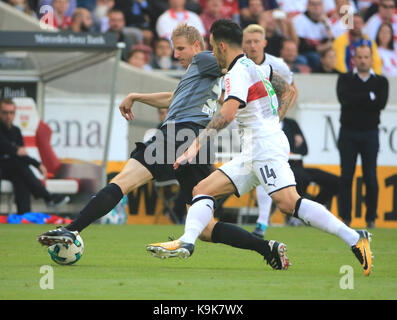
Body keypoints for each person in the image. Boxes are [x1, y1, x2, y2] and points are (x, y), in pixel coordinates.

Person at [37, 24, 289, 270]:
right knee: (206, 228)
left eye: (180, 49)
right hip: (194, 141)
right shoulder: (200, 73)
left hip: (177, 135)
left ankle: (71, 230)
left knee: (123, 181)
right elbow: (172, 97)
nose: (175, 54)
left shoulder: (205, 59)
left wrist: (271, 76)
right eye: (173, 49)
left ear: (198, 46)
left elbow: (240, 64)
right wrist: (137, 96)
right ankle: (267, 248)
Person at [148, 19, 374, 277]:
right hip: (253, 149)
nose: (212, 53)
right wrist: (272, 120)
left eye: (212, 47)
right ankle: (186, 242)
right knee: (202, 190)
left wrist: (194, 145)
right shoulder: (254, 66)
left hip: (263, 148)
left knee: (289, 203)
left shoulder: (236, 72)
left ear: (221, 46)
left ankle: (355, 237)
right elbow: (287, 90)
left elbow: (229, 113)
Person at [252, 117, 341, 236]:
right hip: (279, 167)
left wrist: (295, 148)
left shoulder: (291, 123)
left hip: (297, 165)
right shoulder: (263, 124)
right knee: (300, 177)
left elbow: (304, 149)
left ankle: (309, 208)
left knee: (335, 181)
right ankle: (297, 213)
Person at [336, 44, 389, 229]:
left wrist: (357, 98)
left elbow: (380, 104)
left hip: (370, 133)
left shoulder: (381, 82)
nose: (363, 60)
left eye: (366, 57)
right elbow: (344, 99)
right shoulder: (344, 78)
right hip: (348, 133)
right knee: (346, 177)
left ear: (372, 58)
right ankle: (345, 218)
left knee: (370, 177)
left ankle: (371, 218)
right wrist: (369, 96)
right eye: (359, 57)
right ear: (354, 59)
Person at [0, 99, 70, 214]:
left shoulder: (16, 131)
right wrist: (18, 153)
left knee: (20, 177)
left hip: (12, 167)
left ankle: (24, 216)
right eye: (5, 112)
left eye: (11, 113)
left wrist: (37, 164)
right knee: (19, 165)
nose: (8, 116)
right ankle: (48, 197)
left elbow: (19, 154)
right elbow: (8, 148)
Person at [293, 0, 335, 70]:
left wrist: (327, 26)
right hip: (304, 54)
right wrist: (321, 48)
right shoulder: (299, 20)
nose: (316, 7)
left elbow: (331, 41)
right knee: (314, 57)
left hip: (320, 54)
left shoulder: (325, 21)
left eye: (319, 5)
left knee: (331, 56)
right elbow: (301, 46)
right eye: (313, 5)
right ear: (307, 6)